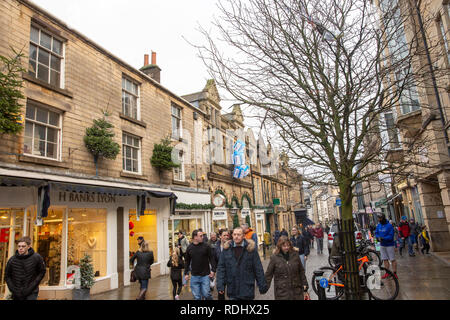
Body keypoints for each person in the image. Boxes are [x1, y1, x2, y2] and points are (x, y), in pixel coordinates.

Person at [216, 227, 268, 300]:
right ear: (232, 235)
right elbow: (221, 269)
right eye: (234, 234)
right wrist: (220, 286)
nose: (236, 237)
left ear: (243, 236)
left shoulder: (251, 250)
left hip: (247, 289)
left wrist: (262, 285)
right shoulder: (226, 250)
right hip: (232, 289)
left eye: (239, 234)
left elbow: (258, 268)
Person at [184, 229, 216, 300]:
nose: (203, 237)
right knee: (197, 297)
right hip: (194, 276)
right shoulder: (189, 248)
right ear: (195, 237)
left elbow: (211, 258)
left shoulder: (206, 246)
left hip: (205, 276)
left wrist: (213, 270)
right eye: (201, 236)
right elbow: (187, 261)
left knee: (206, 294)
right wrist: (186, 273)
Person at [374, 213, 398, 279]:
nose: (379, 220)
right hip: (382, 245)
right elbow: (376, 233)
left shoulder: (389, 226)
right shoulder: (379, 225)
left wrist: (384, 238)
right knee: (385, 259)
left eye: (380, 218)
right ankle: (387, 273)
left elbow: (391, 235)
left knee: (392, 259)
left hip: (389, 245)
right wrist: (378, 237)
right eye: (378, 218)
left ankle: (394, 273)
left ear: (383, 218)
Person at [214, 229, 230, 300]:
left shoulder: (232, 246)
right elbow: (214, 261)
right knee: (220, 294)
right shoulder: (216, 247)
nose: (226, 237)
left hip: (231, 273)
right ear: (220, 236)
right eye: (224, 235)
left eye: (227, 235)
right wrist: (213, 271)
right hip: (221, 274)